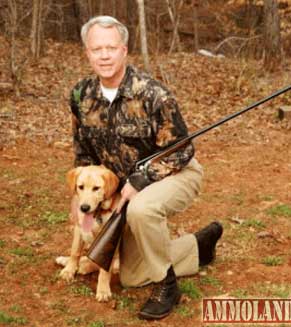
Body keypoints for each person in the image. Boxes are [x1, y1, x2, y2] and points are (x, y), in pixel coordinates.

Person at [69, 15, 223, 320]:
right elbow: (83, 152)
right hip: (118, 187)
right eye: (96, 48)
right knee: (130, 275)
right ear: (87, 52)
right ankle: (197, 247)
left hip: (176, 173)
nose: (104, 55)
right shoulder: (80, 95)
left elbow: (183, 150)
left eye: (111, 47)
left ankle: (168, 286)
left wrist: (141, 180)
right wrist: (80, 197)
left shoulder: (153, 94)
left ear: (124, 50)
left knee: (142, 210)